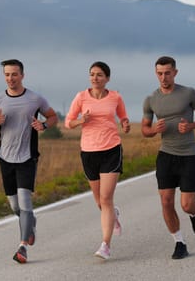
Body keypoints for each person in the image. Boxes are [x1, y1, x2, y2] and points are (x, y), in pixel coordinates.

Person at [0, 59, 58, 264]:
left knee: (25, 202)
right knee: (15, 206)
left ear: (22, 75)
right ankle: (30, 221)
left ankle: (22, 247)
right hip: (5, 158)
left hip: (27, 158)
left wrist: (43, 126)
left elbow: (52, 117)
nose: (10, 78)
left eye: (14, 74)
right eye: (7, 75)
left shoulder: (35, 99)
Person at [141, 56, 195, 259]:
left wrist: (191, 126)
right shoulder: (151, 99)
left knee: (186, 204)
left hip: (188, 154)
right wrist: (154, 129)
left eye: (167, 73)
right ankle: (179, 242)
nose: (163, 77)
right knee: (166, 201)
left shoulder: (188, 93)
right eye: (160, 73)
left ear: (175, 72)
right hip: (166, 155)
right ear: (156, 73)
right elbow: (145, 129)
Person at [65, 61, 130, 260]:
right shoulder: (81, 97)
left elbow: (123, 117)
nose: (95, 78)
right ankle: (113, 216)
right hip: (89, 152)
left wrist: (126, 124)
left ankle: (105, 245)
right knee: (99, 201)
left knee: (106, 198)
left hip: (111, 149)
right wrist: (80, 121)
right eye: (92, 74)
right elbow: (68, 122)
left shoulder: (115, 97)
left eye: (99, 75)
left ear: (107, 78)